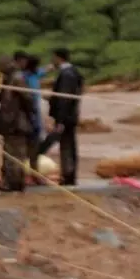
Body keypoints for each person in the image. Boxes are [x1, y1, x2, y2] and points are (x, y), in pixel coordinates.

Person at [0, 57, 38, 193]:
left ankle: (16, 183)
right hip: (8, 124)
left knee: (17, 156)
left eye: (0, 65)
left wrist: (29, 116)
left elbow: (28, 99)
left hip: (17, 124)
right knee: (8, 155)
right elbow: (6, 100)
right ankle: (8, 182)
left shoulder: (17, 79)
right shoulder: (8, 79)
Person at [37, 49, 83, 186]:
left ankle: (68, 177)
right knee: (67, 144)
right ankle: (69, 176)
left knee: (63, 145)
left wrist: (60, 120)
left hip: (65, 118)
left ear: (59, 58)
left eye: (53, 58)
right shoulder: (73, 72)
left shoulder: (66, 74)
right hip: (70, 116)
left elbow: (65, 99)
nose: (52, 61)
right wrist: (52, 99)